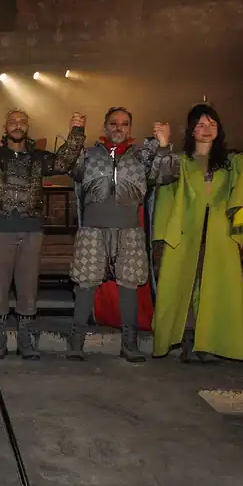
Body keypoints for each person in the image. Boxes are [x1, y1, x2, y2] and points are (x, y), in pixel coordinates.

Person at [67, 107, 180, 362]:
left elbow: (166, 175)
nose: (119, 128)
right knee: (85, 284)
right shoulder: (88, 154)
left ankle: (129, 344)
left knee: (129, 285)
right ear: (105, 126)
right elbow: (66, 165)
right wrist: (75, 134)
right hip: (93, 229)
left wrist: (163, 145)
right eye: (114, 123)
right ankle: (76, 342)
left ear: (130, 128)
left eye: (124, 123)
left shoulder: (141, 155)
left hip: (129, 229)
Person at [152, 103, 243, 362]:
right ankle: (188, 341)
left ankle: (211, 344)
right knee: (184, 287)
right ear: (191, 130)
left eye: (212, 124)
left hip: (220, 236)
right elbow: (161, 177)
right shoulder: (180, 161)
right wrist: (164, 143)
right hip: (185, 235)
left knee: (216, 288)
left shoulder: (229, 163)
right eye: (200, 124)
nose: (206, 129)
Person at [0, 109, 86, 359]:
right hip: (1, 229)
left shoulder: (39, 158)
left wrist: (77, 131)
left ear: (28, 126)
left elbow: (64, 162)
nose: (17, 125)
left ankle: (25, 340)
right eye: (12, 122)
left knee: (28, 286)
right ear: (5, 127)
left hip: (32, 231)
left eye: (22, 122)